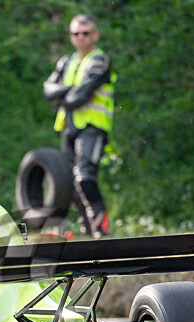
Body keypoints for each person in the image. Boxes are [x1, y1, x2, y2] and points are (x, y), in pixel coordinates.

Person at [43, 14, 115, 238]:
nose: (81, 37)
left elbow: (79, 97)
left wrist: (64, 92)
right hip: (69, 126)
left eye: (85, 33)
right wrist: (72, 90)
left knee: (84, 177)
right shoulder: (66, 61)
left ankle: (100, 225)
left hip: (93, 125)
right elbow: (47, 91)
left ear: (95, 34)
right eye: (76, 33)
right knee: (68, 180)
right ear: (71, 37)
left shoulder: (100, 60)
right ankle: (87, 226)